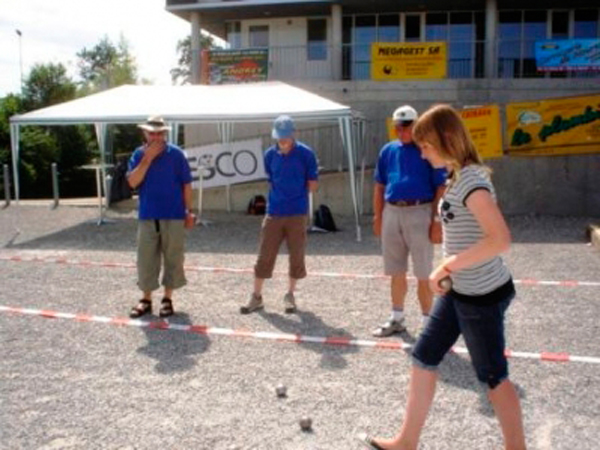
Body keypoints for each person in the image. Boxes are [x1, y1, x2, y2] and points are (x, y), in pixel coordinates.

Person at [358, 104, 526, 450]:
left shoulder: (472, 183)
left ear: (446, 139)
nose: (422, 153)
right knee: (423, 357)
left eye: (426, 146)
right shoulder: (457, 176)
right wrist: (451, 271)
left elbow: (500, 240)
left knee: (493, 377)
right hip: (460, 291)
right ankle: (407, 441)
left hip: (480, 296)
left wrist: (447, 267)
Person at [372, 105, 446, 337]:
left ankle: (428, 323)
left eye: (405, 127)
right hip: (392, 211)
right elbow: (379, 185)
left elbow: (441, 187)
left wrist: (436, 220)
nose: (401, 131)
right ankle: (397, 318)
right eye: (397, 127)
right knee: (396, 270)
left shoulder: (428, 150)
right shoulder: (388, 150)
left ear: (416, 126)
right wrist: (378, 216)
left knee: (423, 271)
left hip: (420, 211)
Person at [240, 115, 318, 314]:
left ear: (293, 134)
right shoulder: (269, 155)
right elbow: (271, 178)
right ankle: (256, 296)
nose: (282, 141)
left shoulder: (306, 154)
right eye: (279, 137)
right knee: (264, 255)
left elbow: (313, 184)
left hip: (297, 213)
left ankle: (290, 295)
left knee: (296, 256)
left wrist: (297, 193)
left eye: (285, 137)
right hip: (274, 212)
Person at [127, 116, 195, 319]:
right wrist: (147, 159)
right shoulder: (138, 154)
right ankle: (146, 299)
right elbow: (132, 182)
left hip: (174, 214)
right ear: (145, 133)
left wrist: (189, 211)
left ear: (165, 133)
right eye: (152, 133)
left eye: (159, 133)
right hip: (148, 215)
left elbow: (186, 184)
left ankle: (167, 298)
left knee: (173, 257)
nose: (156, 137)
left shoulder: (177, 154)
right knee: (145, 259)